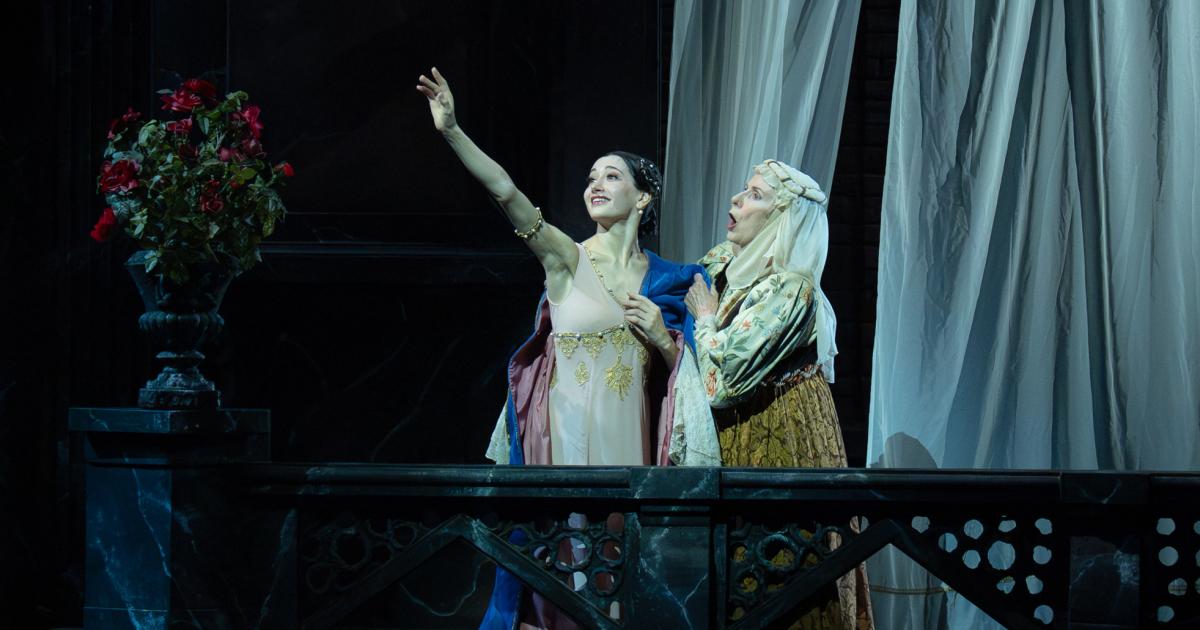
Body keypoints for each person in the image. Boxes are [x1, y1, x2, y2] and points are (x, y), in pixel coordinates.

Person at [418, 68, 718, 629]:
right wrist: (452, 130)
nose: (595, 185)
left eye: (612, 176)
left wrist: (661, 337)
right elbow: (507, 192)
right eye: (590, 177)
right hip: (566, 439)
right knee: (564, 563)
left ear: (643, 196)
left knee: (619, 570)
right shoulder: (566, 258)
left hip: (629, 442)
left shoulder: (673, 281)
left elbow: (695, 382)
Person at [685, 159, 873, 629]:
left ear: (782, 220)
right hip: (736, 434)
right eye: (744, 189)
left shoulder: (791, 290)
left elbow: (724, 383)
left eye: (755, 195)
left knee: (785, 566)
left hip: (781, 436)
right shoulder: (730, 268)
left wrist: (706, 321)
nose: (737, 199)